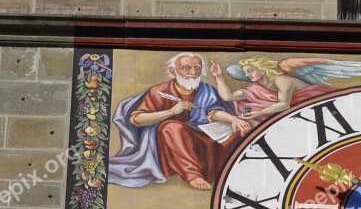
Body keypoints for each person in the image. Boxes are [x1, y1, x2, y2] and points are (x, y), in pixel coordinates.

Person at [109, 53, 251, 190]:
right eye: (186, 68)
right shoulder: (159, 91)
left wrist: (233, 119)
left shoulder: (206, 90)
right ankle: (193, 174)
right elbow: (137, 119)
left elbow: (213, 112)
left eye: (197, 68)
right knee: (172, 127)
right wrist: (171, 112)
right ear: (173, 71)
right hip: (171, 143)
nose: (193, 72)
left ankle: (226, 174)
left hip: (200, 135)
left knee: (237, 130)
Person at [209, 57, 335, 124]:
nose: (247, 75)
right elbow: (228, 97)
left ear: (262, 70)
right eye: (245, 73)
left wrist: (259, 112)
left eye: (250, 71)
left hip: (323, 104)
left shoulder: (282, 80)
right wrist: (218, 77)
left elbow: (284, 104)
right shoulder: (256, 88)